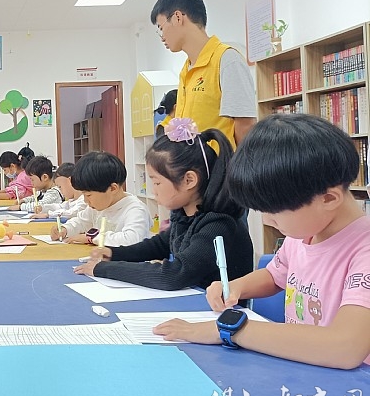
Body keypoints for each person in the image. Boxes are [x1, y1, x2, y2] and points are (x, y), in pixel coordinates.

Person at [154, 115, 370, 369]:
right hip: (306, 369)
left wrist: (231, 329)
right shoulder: (305, 234)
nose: (267, 220)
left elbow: (345, 347)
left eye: (274, 211)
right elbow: (275, 275)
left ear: (328, 199)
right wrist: (237, 287)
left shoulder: (363, 250)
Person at [74, 119, 253, 290]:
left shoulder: (219, 224)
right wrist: (114, 253)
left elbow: (174, 274)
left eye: (157, 182)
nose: (154, 190)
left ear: (189, 180)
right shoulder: (185, 215)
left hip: (220, 309)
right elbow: (160, 244)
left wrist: (104, 269)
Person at [150, 0, 256, 148]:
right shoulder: (186, 69)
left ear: (177, 17)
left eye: (161, 27)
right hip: (193, 163)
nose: (162, 37)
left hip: (222, 163)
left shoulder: (227, 59)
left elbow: (245, 125)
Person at [52, 152, 150, 247]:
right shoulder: (98, 207)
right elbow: (81, 222)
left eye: (88, 195)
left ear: (113, 188)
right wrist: (65, 229)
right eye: (83, 194)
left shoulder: (135, 210)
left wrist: (91, 237)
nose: (85, 201)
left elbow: (131, 239)